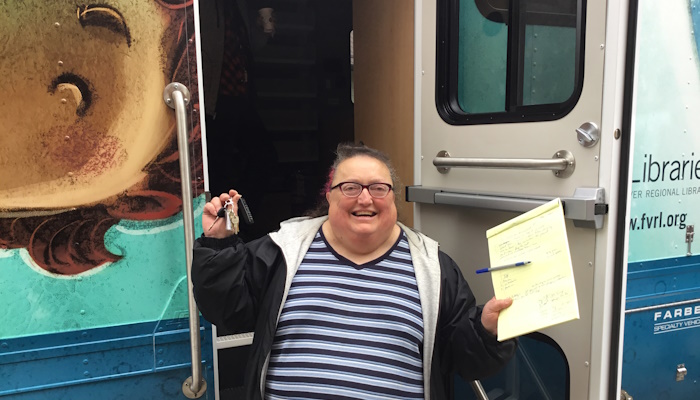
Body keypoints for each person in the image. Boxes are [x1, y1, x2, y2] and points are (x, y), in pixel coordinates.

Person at [192, 142, 517, 399]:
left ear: (393, 199)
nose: (365, 198)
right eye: (350, 187)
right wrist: (219, 245)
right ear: (330, 197)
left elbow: (464, 359)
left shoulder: (433, 267)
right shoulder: (283, 250)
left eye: (378, 188)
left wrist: (486, 333)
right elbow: (227, 310)